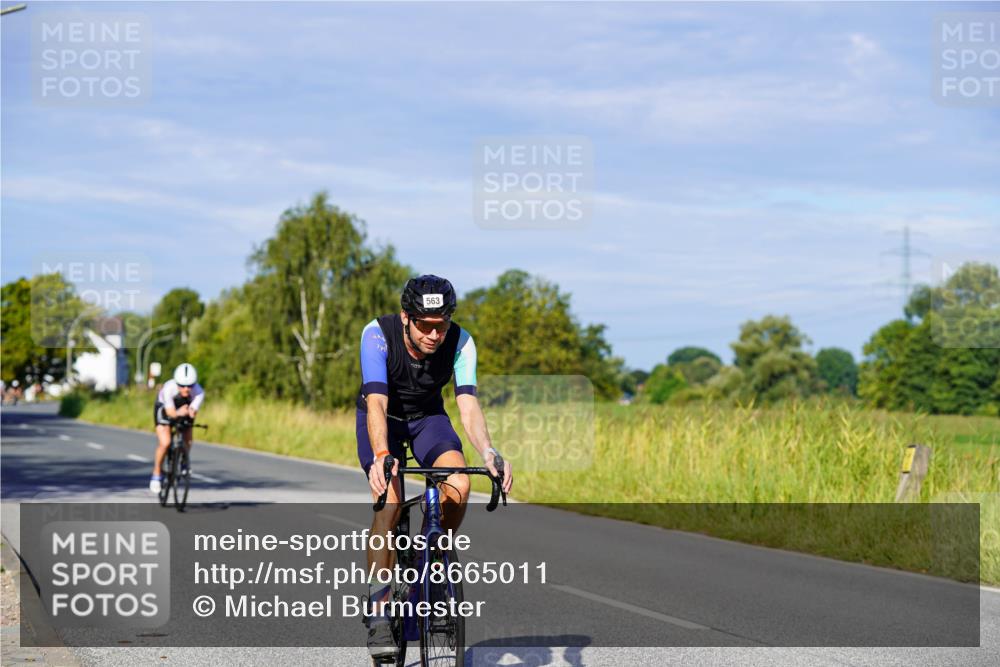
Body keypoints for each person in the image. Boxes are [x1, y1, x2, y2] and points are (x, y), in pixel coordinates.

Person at [357, 274, 513, 658]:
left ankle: (434, 565)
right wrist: (381, 455)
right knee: (389, 505)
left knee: (459, 483)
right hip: (384, 419)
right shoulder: (377, 334)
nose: (433, 335)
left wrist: (489, 452)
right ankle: (379, 609)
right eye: (424, 326)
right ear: (406, 317)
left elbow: (468, 404)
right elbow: (375, 400)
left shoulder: (461, 341)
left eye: (440, 326)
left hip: (428, 418)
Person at [149, 363, 204, 493]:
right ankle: (156, 474)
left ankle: (184, 460)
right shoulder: (169, 388)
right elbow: (170, 412)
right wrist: (179, 412)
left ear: (194, 384)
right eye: (182, 385)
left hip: (184, 406)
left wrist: (190, 411)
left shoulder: (199, 392)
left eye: (190, 386)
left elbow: (192, 412)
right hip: (164, 407)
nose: (186, 389)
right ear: (176, 383)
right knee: (165, 442)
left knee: (188, 433)